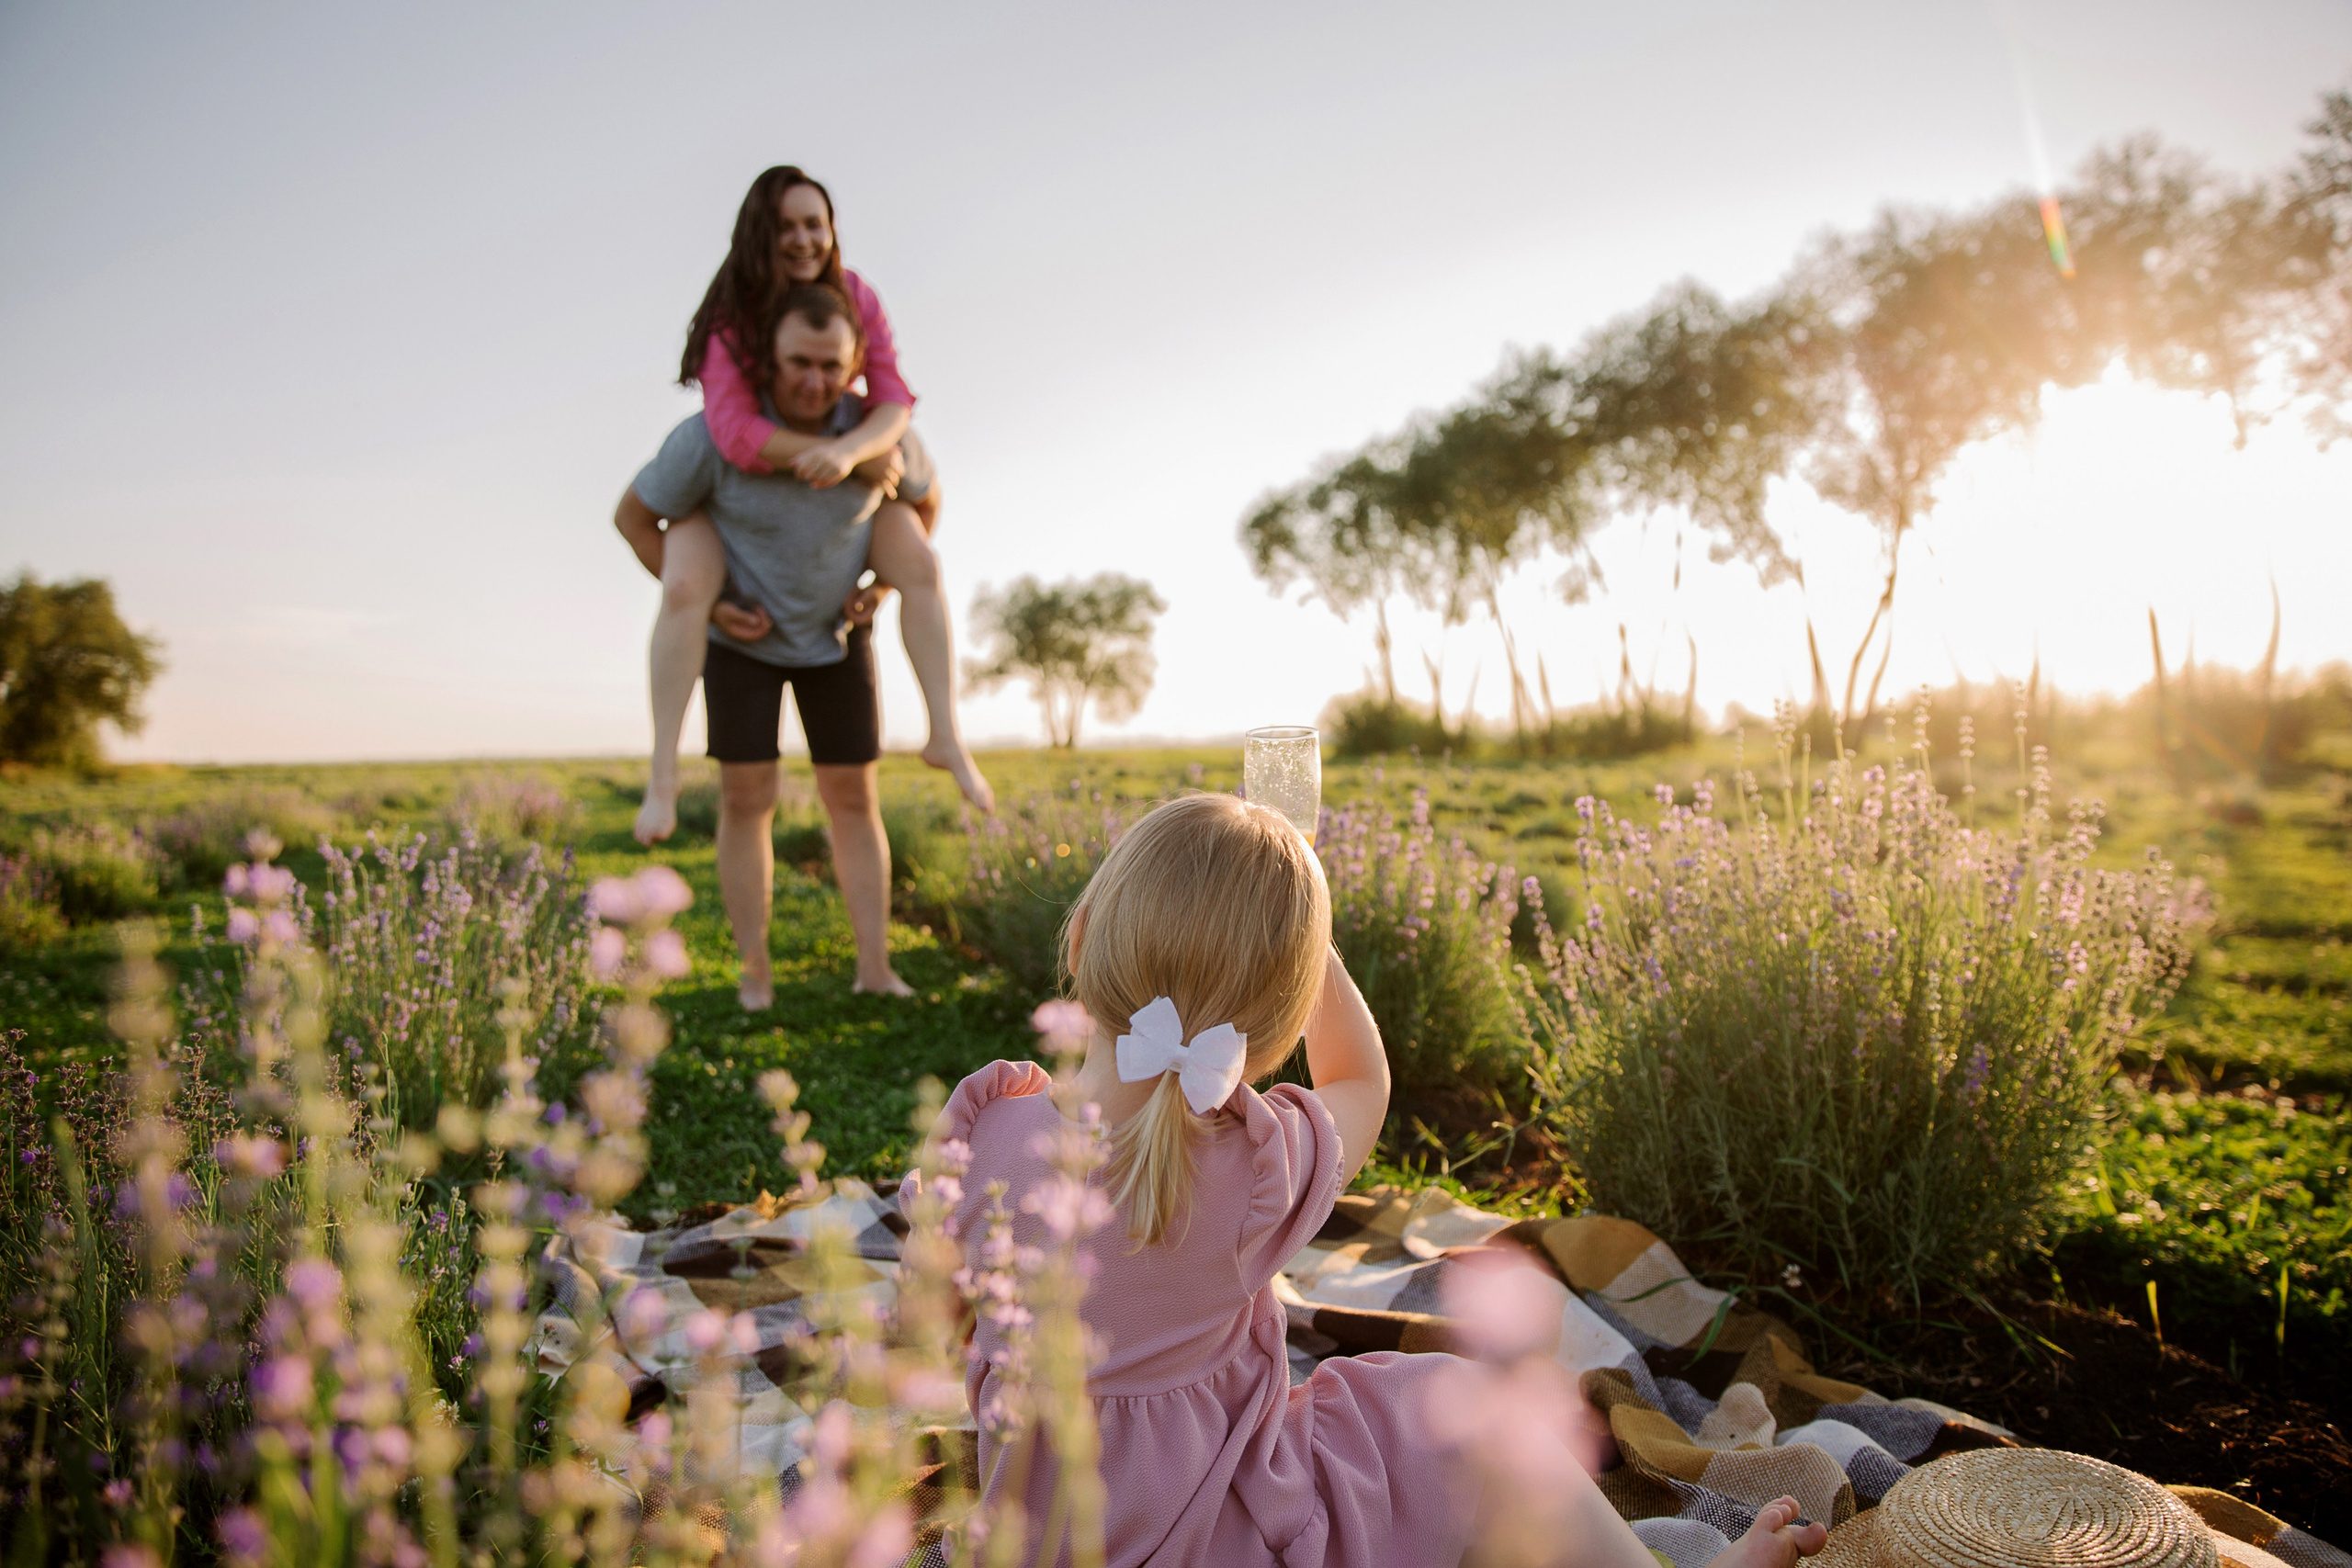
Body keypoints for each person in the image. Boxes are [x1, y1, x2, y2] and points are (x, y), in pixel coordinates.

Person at [932, 793, 1829, 1568]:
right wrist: (1303, 941)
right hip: (1229, 1536)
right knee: (1445, 1400)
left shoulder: (985, 1128)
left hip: (1047, 1539)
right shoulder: (1258, 1162)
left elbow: (935, 1319)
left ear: (1081, 938)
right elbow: (1363, 1080)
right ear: (1278, 1021)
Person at [634, 164, 991, 846]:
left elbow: (893, 399)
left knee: (918, 555)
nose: (801, 240)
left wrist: (857, 450)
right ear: (758, 236)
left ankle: (946, 735)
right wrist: (828, 453)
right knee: (683, 581)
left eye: (814, 224)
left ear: (832, 232)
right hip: (744, 494)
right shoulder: (733, 317)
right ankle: (662, 773)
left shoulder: (855, 295)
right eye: (785, 226)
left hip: (846, 473)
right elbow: (735, 433)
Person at [614, 282, 916, 1005]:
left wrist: (883, 587)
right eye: (798, 363)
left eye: (830, 365)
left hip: (838, 634)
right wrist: (713, 609)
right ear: (765, 363)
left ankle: (875, 969)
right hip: (742, 639)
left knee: (853, 796)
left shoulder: (878, 433)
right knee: (746, 798)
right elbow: (633, 519)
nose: (815, 380)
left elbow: (924, 504)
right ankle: (755, 971)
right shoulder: (712, 438)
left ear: (852, 366)